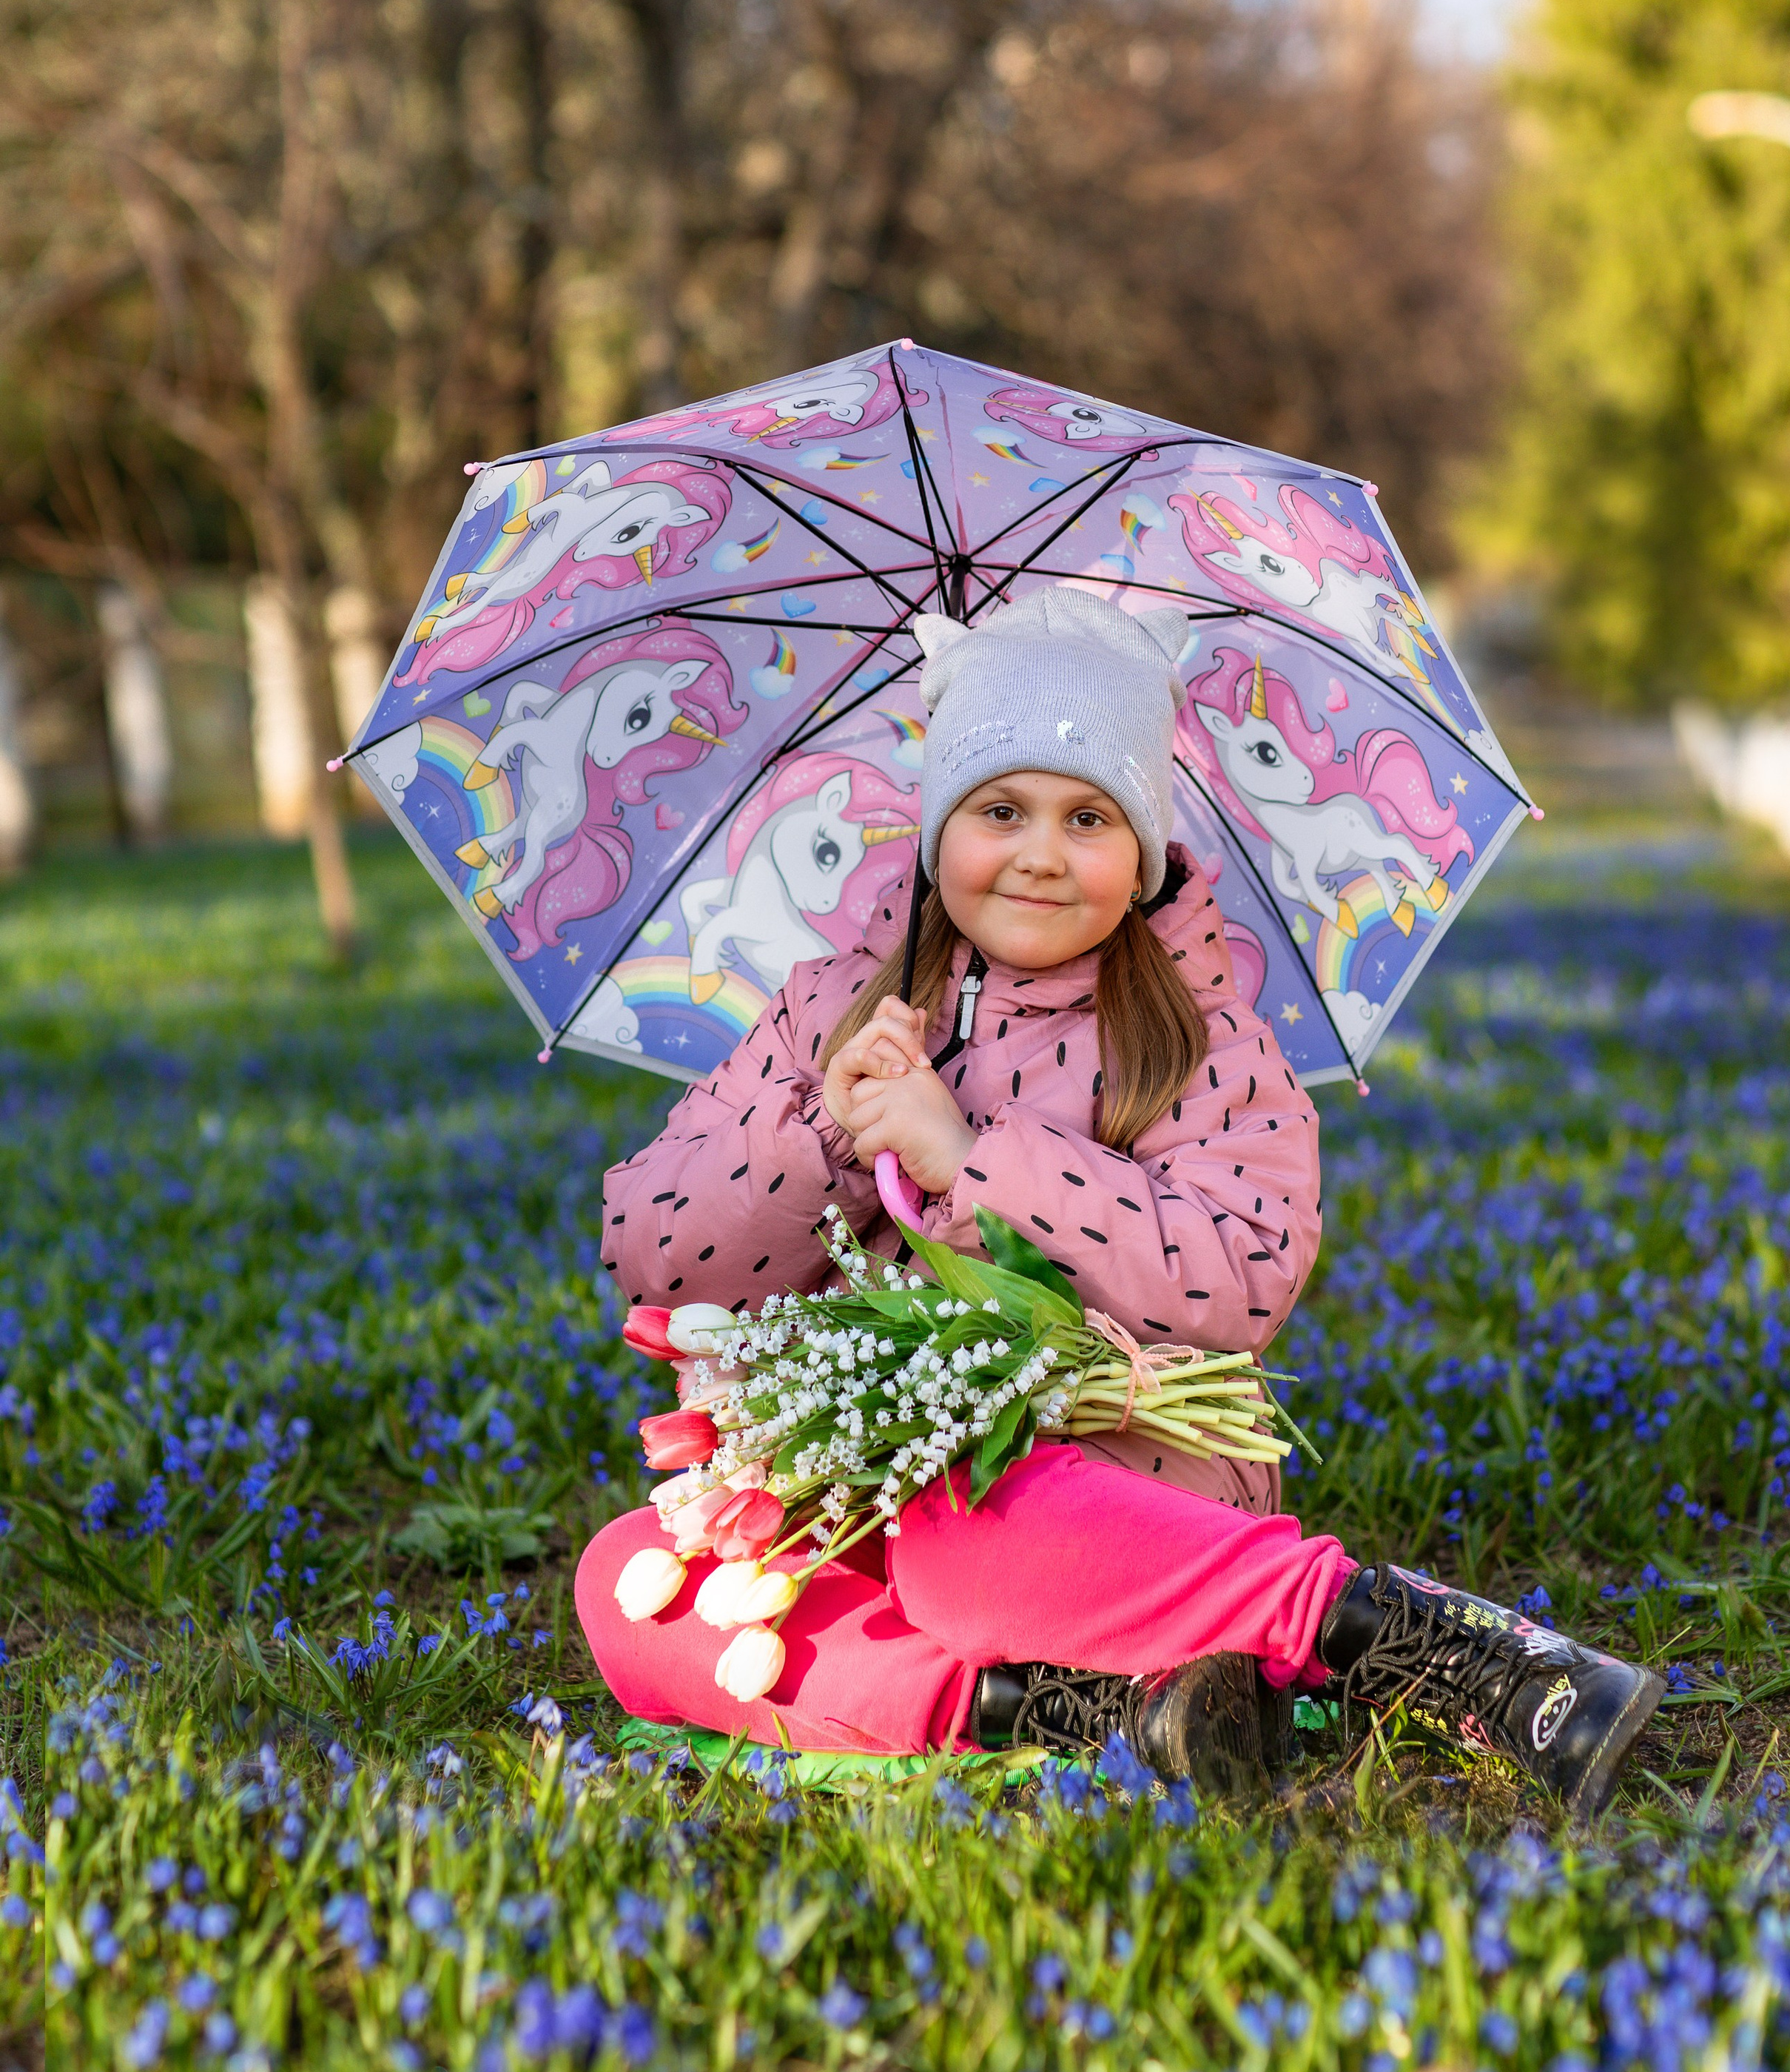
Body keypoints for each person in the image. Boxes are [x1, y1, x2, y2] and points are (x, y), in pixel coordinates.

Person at [575, 588, 1661, 1814]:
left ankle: (1431, 1645)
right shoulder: (827, 1007)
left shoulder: (1197, 1041)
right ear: (940, 832)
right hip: (848, 1491)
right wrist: (826, 1121)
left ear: (1141, 850)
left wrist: (969, 1156)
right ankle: (1101, 1714)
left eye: (1087, 816)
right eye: (1000, 810)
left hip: (1113, 1485)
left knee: (963, 1545)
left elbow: (1236, 1278)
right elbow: (658, 1257)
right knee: (628, 1583)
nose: (1039, 852)